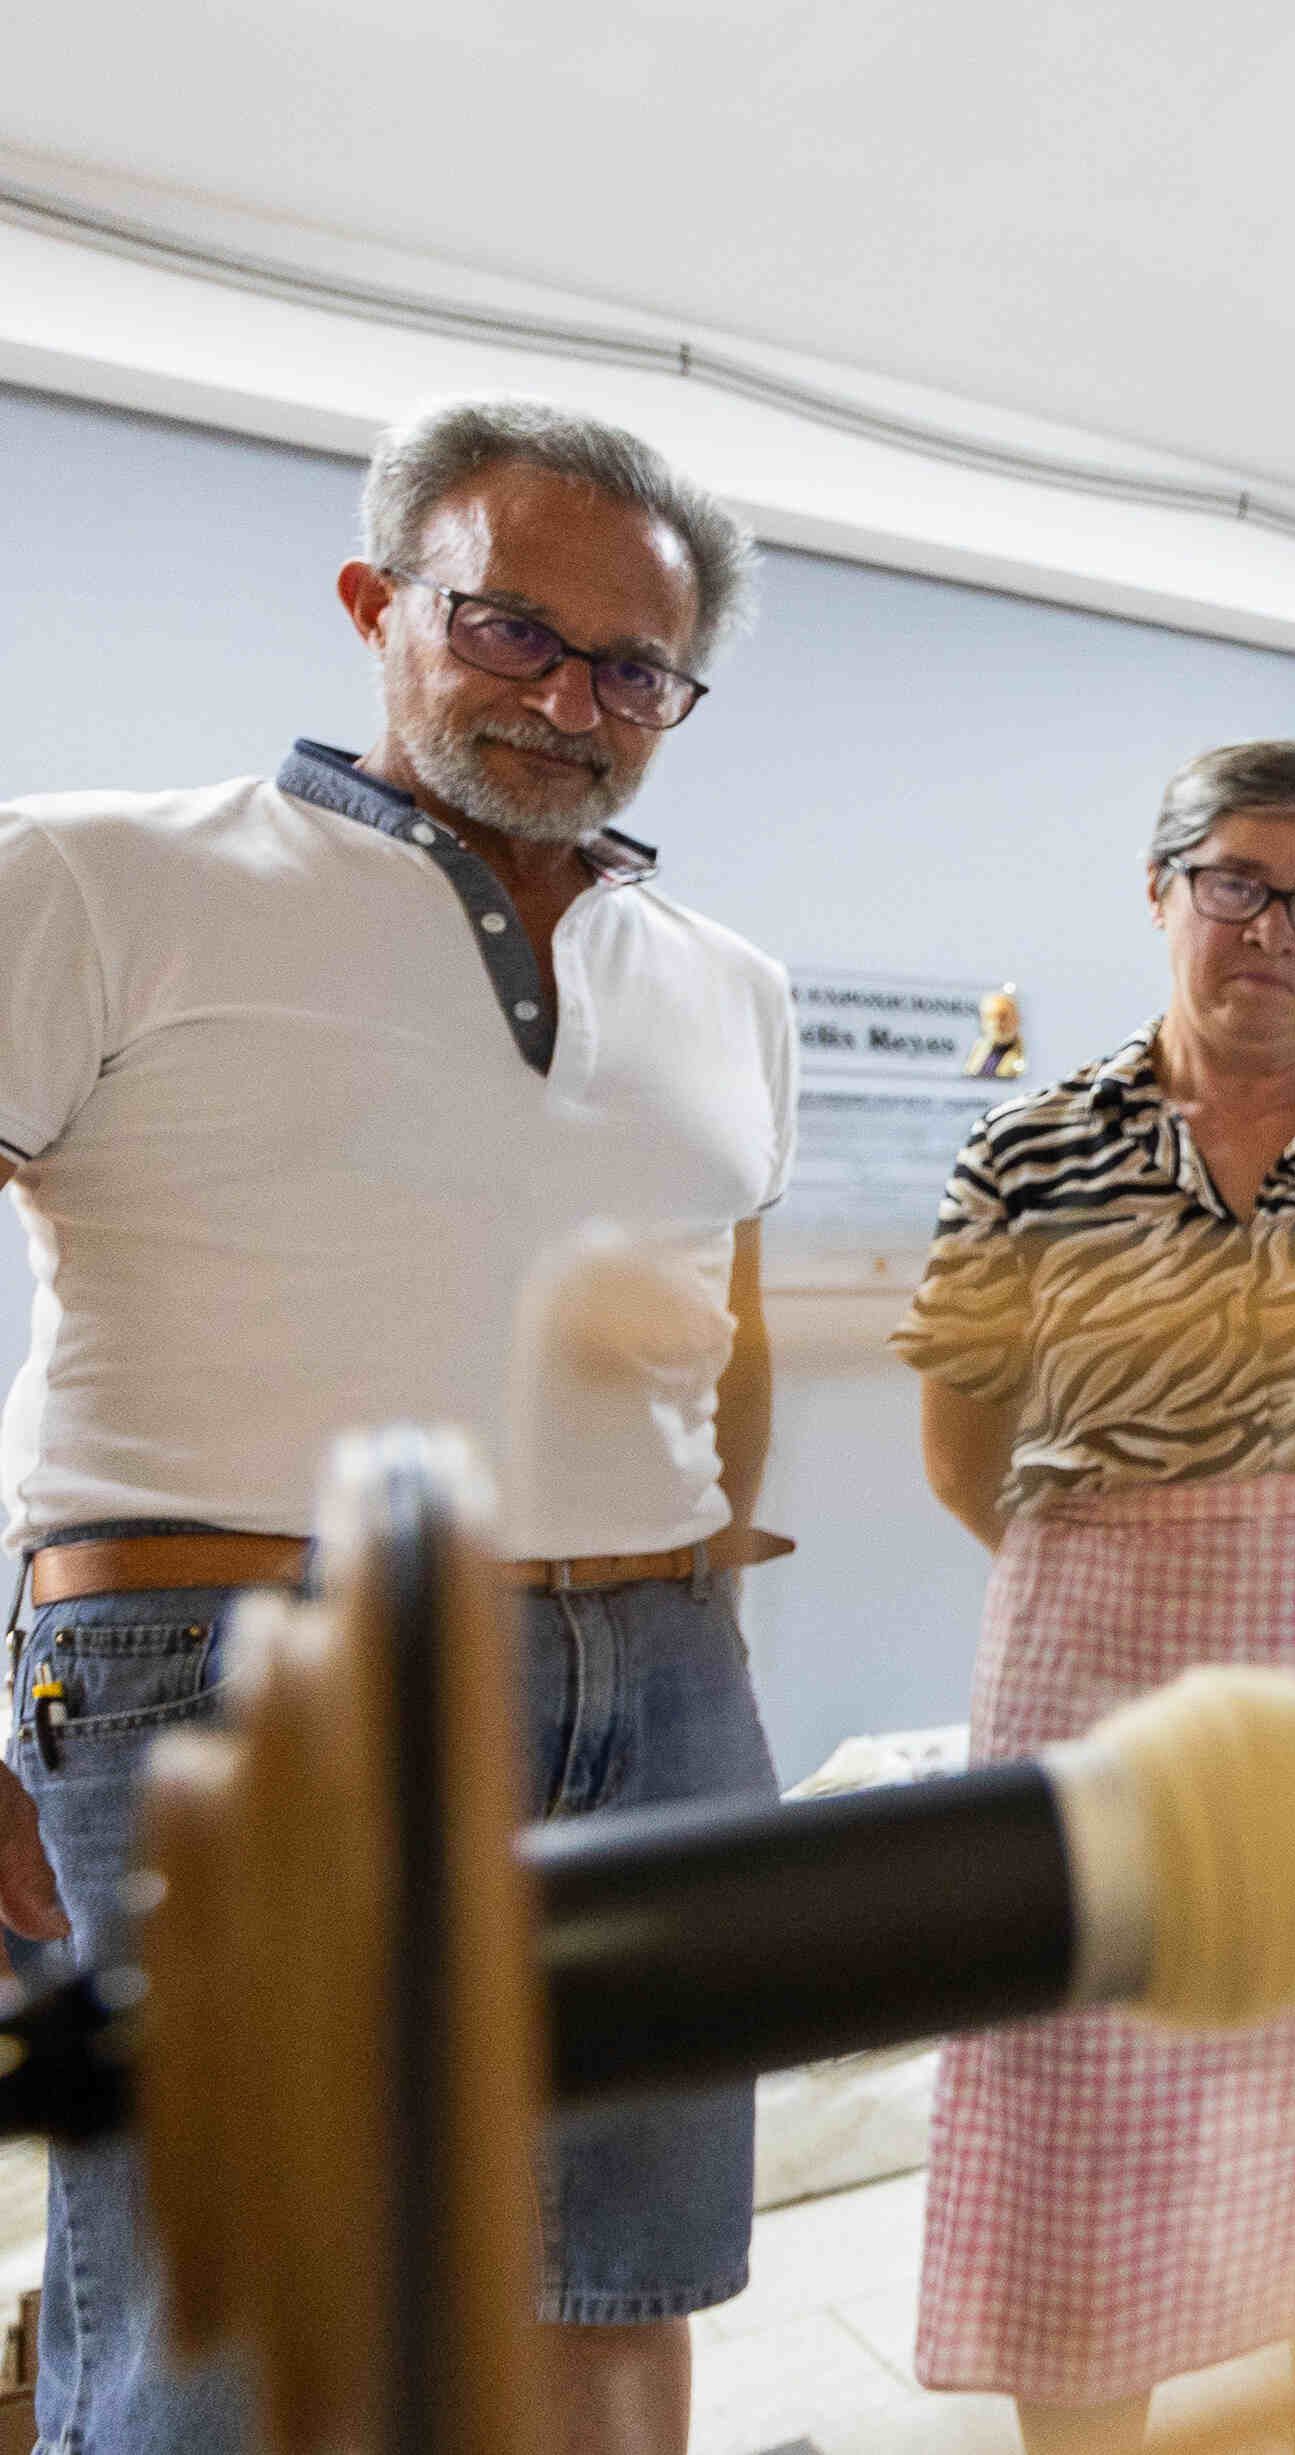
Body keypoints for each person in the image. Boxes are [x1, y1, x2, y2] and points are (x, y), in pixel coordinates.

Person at [0, 394, 794, 2455]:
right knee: (244, 2356)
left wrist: (708, 1582)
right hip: (232, 1678)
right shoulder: (91, 878)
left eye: (634, 667)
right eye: (510, 626)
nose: (570, 698)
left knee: (618, 2291)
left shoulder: (733, 984)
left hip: (663, 1687)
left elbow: (728, 1318)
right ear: (374, 600)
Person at [896, 742, 1295, 2455]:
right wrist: (1143, 1579)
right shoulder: (1030, 1155)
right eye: (1236, 882)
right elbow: (963, 1446)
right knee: (1089, 2094)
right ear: (1164, 890)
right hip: (1100, 1685)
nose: (1272, 928)